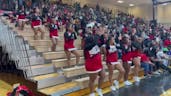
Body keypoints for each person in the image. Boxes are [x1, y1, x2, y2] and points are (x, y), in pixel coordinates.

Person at [84, 31, 105, 96]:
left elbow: (101, 42)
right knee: (92, 80)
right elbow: (93, 43)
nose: (95, 39)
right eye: (93, 38)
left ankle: (99, 89)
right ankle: (92, 93)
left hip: (98, 63)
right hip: (92, 65)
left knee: (103, 75)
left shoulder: (94, 44)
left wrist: (102, 35)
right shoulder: (87, 47)